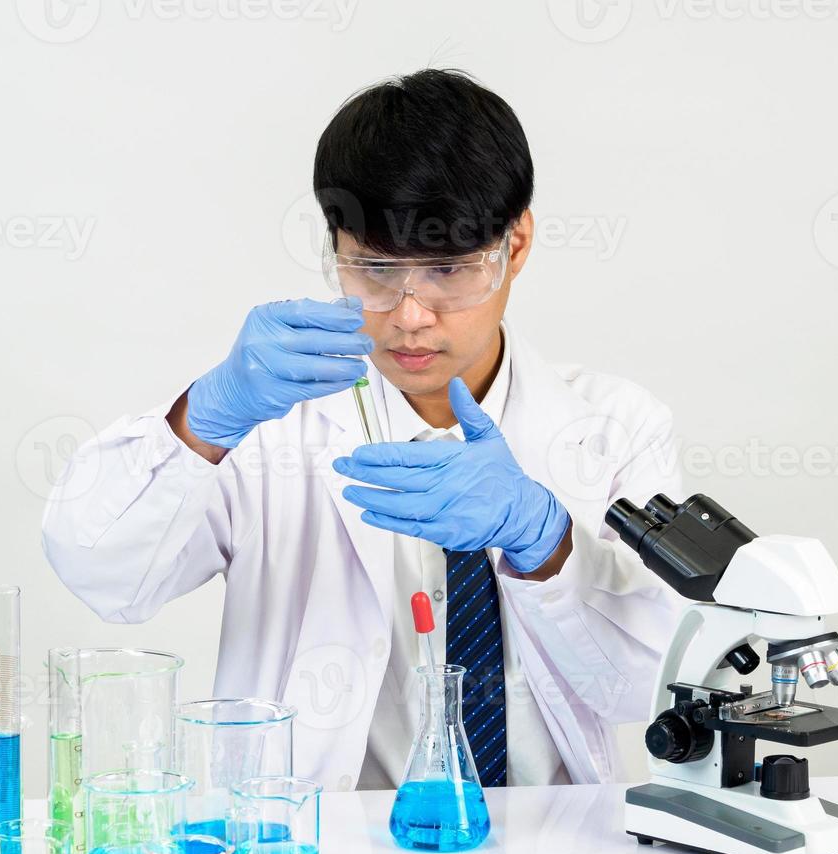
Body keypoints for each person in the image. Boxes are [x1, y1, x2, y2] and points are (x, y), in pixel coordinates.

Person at [43, 69, 684, 791]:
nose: (409, 315)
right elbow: (105, 577)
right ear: (334, 247)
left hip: (549, 851)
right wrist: (204, 419)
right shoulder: (266, 425)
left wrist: (548, 544)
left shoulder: (615, 426)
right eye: (374, 269)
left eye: (447, 269)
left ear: (517, 244)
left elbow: (646, 688)